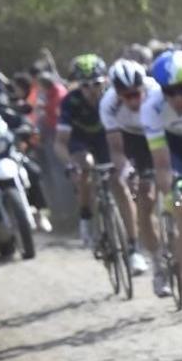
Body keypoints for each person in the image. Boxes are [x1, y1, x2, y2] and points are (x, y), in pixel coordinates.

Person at [145, 50, 182, 330]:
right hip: (176, 152)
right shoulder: (152, 108)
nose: (177, 98)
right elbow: (161, 164)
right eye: (170, 92)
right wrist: (171, 194)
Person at [102, 59, 163, 284]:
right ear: (117, 93)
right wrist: (128, 172)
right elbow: (117, 150)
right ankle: (157, 264)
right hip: (132, 140)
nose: (134, 100)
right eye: (127, 96)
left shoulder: (156, 91)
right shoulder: (108, 105)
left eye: (136, 94)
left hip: (159, 133)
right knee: (145, 199)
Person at [55, 55, 111, 247]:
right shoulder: (70, 102)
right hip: (80, 141)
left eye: (96, 83)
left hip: (106, 139)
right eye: (84, 85)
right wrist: (71, 164)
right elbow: (60, 142)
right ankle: (86, 216)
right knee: (85, 166)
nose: (91, 90)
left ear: (105, 80)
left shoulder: (111, 96)